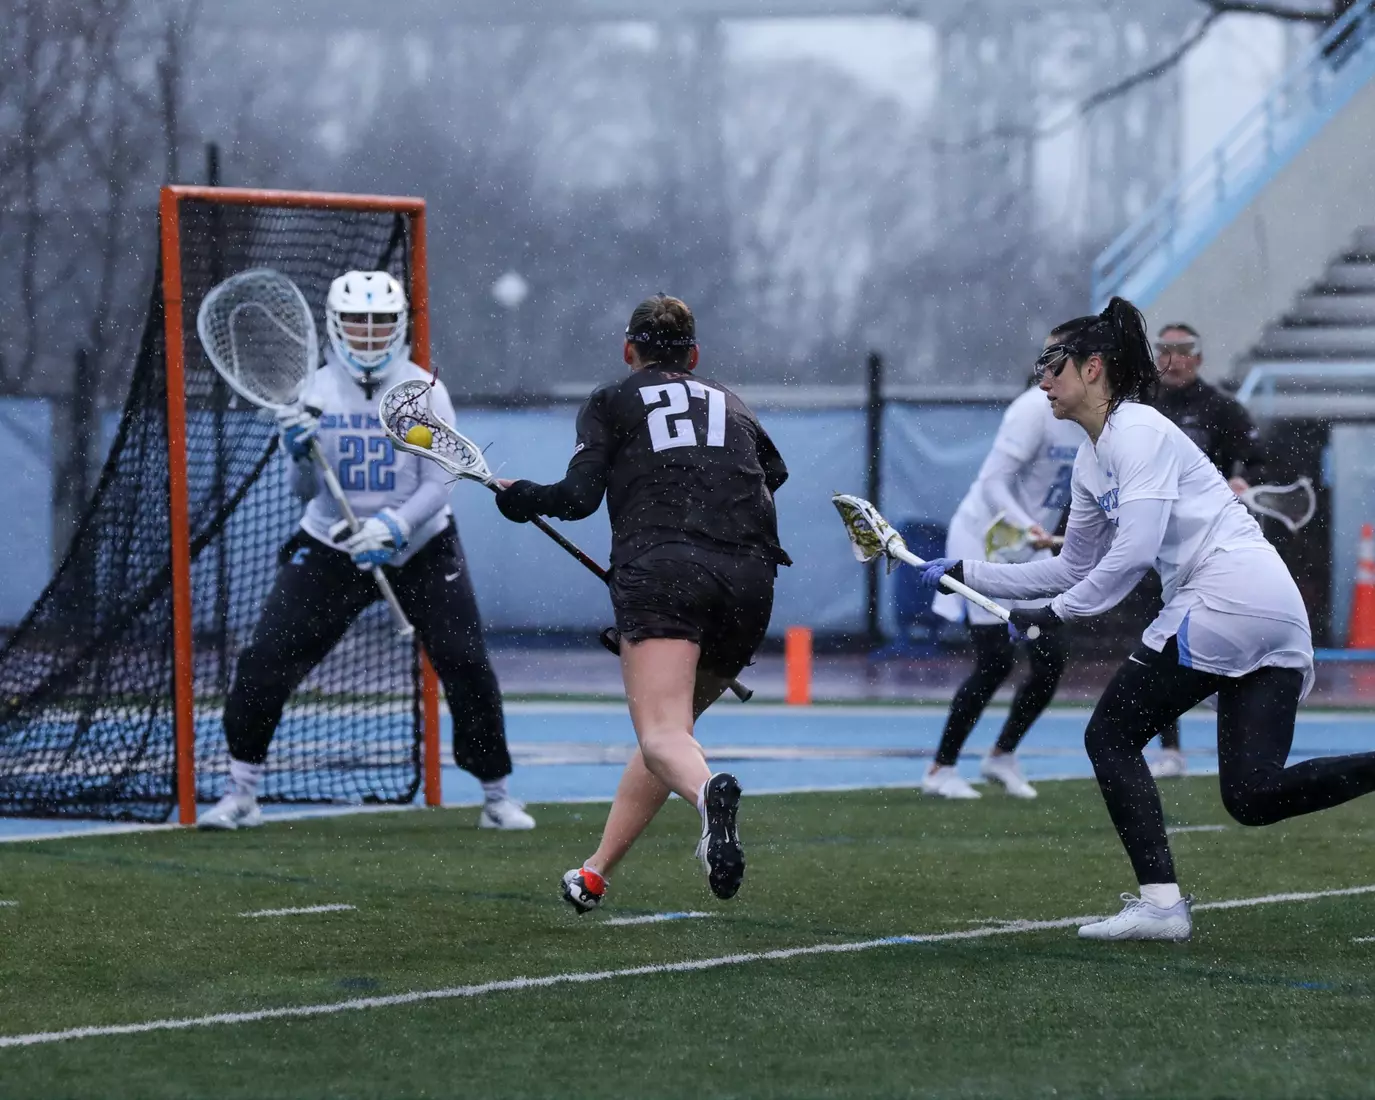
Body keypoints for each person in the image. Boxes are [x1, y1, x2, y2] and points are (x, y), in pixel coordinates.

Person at [915, 297, 1375, 942]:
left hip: (1226, 597)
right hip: (1269, 610)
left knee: (1110, 735)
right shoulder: (1092, 457)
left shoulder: (1139, 432)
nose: (1042, 379)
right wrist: (966, 571)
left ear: (1094, 368)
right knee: (1253, 796)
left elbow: (1129, 556)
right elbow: (1072, 565)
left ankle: (1161, 906)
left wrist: (1054, 614)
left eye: (1053, 364)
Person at [199, 270, 534, 832]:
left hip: (421, 544)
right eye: (359, 320)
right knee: (264, 661)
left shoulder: (423, 392)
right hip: (332, 543)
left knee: (466, 662)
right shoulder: (315, 391)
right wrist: (298, 454)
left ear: (400, 324)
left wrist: (394, 527)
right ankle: (241, 791)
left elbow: (438, 483)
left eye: (381, 321)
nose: (370, 332)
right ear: (336, 324)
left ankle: (497, 796)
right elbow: (303, 492)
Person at [491, 294, 789, 913]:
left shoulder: (612, 399)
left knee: (660, 735)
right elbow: (767, 478)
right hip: (751, 576)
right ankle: (595, 871)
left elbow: (576, 498)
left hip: (665, 570)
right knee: (672, 733)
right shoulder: (731, 401)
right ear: (695, 355)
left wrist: (523, 496)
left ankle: (711, 797)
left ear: (630, 351)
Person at [923, 334, 1084, 800]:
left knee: (1050, 660)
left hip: (1032, 549)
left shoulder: (1098, 420)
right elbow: (992, 482)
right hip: (986, 540)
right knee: (994, 661)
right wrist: (1026, 525)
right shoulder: (1033, 410)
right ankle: (940, 769)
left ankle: (1002, 755)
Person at [1146, 322, 1266, 779]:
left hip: (1212, 543)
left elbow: (1258, 458)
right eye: (1165, 350)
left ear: (1198, 357)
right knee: (1162, 641)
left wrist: (1243, 481)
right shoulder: (1143, 405)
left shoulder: (1221, 408)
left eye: (1183, 350)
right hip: (1159, 542)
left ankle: (1237, 736)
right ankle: (1170, 747)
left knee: (1223, 636)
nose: (1172, 359)